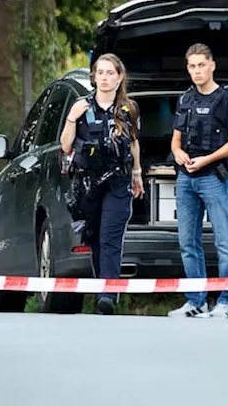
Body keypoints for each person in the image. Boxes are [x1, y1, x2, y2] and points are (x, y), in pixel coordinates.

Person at [167, 43, 228, 319]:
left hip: (213, 177)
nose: (197, 71)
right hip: (186, 179)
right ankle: (196, 301)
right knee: (188, 242)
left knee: (225, 242)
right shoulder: (185, 99)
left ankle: (227, 303)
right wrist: (178, 154)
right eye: (192, 66)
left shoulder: (226, 99)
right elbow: (176, 139)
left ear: (212, 65)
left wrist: (208, 158)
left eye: (201, 65)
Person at [60, 53, 143, 316]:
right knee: (94, 236)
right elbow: (65, 145)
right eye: (100, 73)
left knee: (110, 236)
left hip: (118, 181)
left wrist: (137, 174)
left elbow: (133, 143)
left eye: (110, 73)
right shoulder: (82, 107)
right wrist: (72, 119)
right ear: (93, 76)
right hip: (89, 183)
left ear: (120, 78)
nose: (105, 78)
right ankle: (102, 286)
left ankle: (108, 294)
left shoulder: (129, 108)